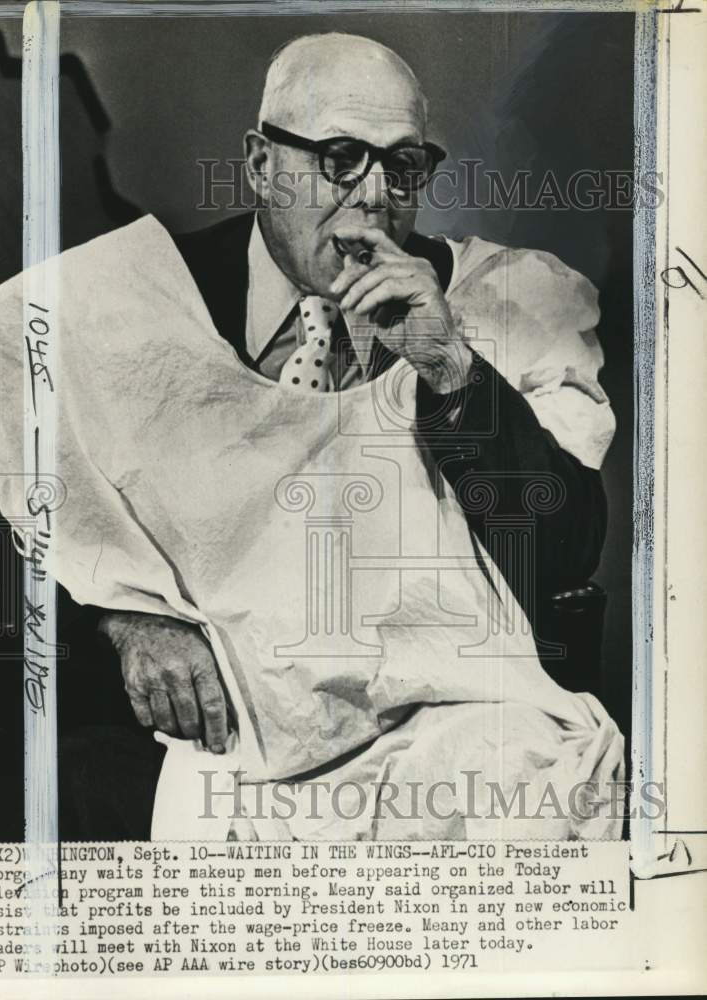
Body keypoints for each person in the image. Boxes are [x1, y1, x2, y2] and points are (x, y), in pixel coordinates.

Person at [59, 32, 613, 837]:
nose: (376, 195)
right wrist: (124, 616)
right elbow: (19, 495)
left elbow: (564, 553)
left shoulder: (511, 300)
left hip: (440, 717)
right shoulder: (139, 299)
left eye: (404, 164)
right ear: (259, 164)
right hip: (224, 724)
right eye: (342, 157)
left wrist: (451, 366)